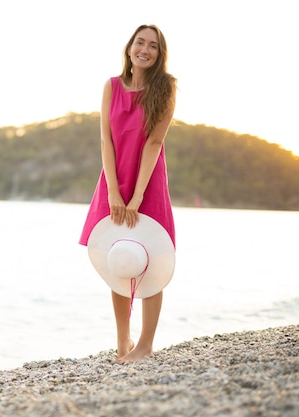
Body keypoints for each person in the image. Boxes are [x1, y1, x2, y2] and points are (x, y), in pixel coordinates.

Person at [79, 24, 177, 363]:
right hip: (113, 180)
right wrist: (113, 193)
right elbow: (106, 140)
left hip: (148, 181)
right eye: (140, 42)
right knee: (118, 255)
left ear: (159, 53)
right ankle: (123, 342)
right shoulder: (111, 87)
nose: (145, 49)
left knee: (152, 257)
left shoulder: (166, 88)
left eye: (153, 45)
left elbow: (153, 142)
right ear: (130, 47)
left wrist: (135, 197)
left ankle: (146, 345)